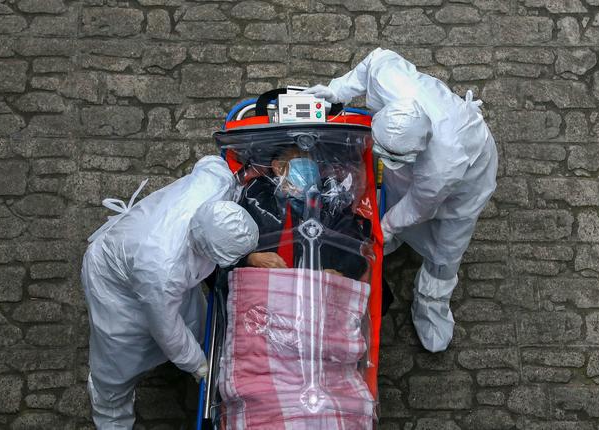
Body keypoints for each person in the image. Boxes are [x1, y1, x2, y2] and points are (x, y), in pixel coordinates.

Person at [305, 48, 498, 352]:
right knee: (394, 191)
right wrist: (336, 89)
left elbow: (418, 207)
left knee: (447, 247)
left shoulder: (444, 165)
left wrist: (385, 227)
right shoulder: (390, 79)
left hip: (467, 182)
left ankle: (431, 303)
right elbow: (372, 63)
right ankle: (394, 242)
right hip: (420, 167)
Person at [81, 156, 259, 429]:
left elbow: (210, 162)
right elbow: (166, 328)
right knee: (118, 357)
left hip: (149, 256)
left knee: (193, 317)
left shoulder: (215, 183)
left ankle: (191, 357)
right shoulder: (161, 270)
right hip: (114, 281)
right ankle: (112, 413)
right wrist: (199, 366)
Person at [236, 146, 371, 280]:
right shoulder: (257, 198)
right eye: (300, 159)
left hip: (318, 294)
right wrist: (252, 258)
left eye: (311, 159)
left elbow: (358, 253)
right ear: (277, 167)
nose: (309, 165)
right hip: (266, 292)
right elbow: (227, 248)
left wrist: (342, 273)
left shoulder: (332, 202)